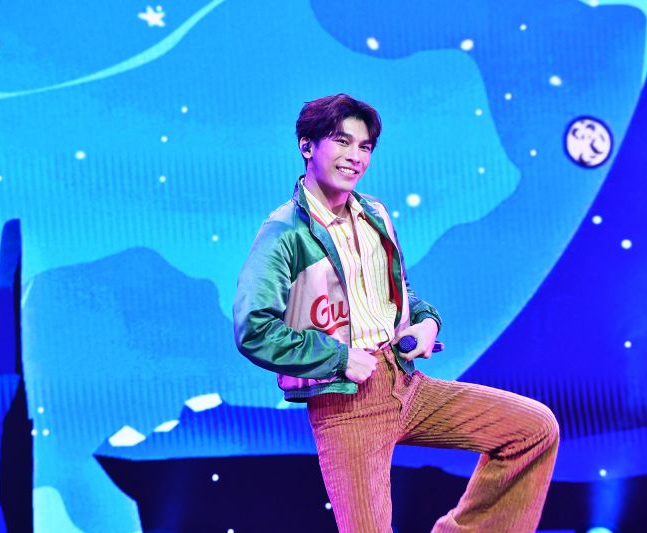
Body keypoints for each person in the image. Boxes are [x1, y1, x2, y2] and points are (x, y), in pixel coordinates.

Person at [234, 93, 559, 532]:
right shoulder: (284, 232)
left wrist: (426, 322)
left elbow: (399, 294)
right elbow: (254, 329)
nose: (355, 156)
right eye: (342, 141)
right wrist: (338, 358)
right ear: (307, 146)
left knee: (533, 430)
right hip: (346, 404)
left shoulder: (375, 214)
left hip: (405, 382)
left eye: (364, 146)